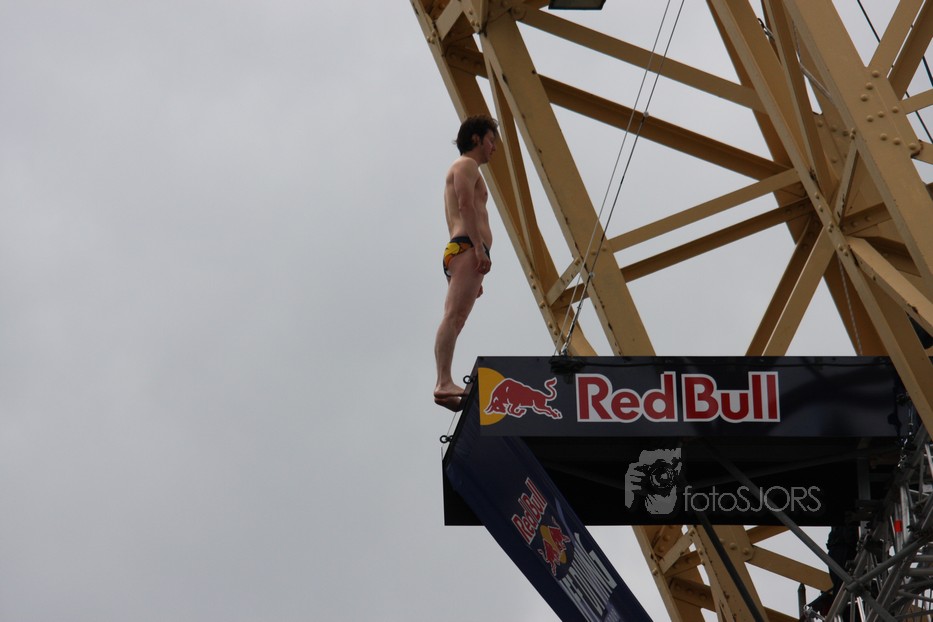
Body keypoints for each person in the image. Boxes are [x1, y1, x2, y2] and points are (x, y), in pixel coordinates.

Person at [433, 115, 498, 411]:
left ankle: (445, 383)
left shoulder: (467, 168)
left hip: (463, 249)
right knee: (452, 316)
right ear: (475, 138)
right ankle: (444, 382)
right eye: (491, 140)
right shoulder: (466, 165)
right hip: (467, 247)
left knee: (456, 319)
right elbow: (465, 206)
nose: (493, 147)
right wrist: (479, 249)